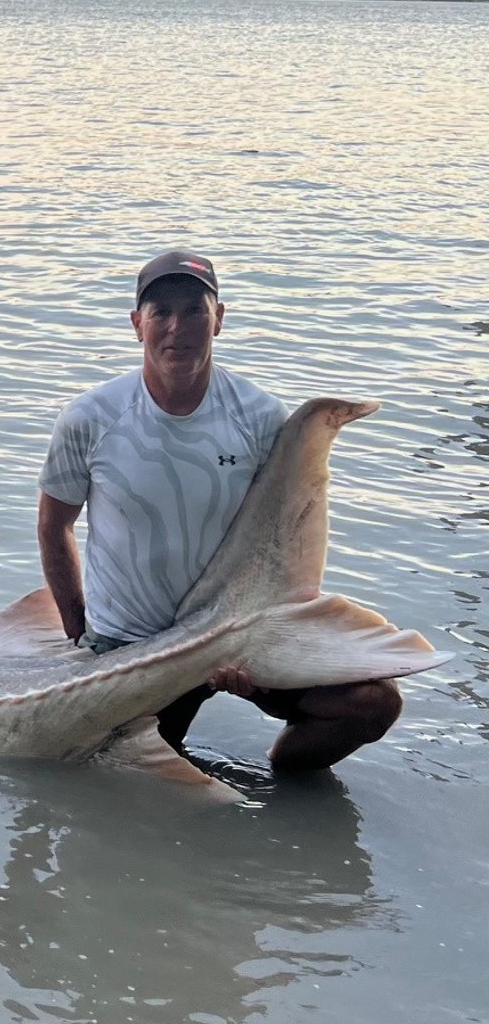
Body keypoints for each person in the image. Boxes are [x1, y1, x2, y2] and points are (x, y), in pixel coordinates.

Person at [36, 251, 401, 772]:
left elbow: (284, 539)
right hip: (129, 646)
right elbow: (55, 527)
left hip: (234, 634)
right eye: (161, 312)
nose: (177, 328)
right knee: (119, 787)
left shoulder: (260, 416)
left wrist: (259, 632)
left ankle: (283, 781)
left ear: (219, 319)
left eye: (194, 310)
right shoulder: (90, 417)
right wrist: (80, 637)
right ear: (137, 324)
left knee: (373, 703)